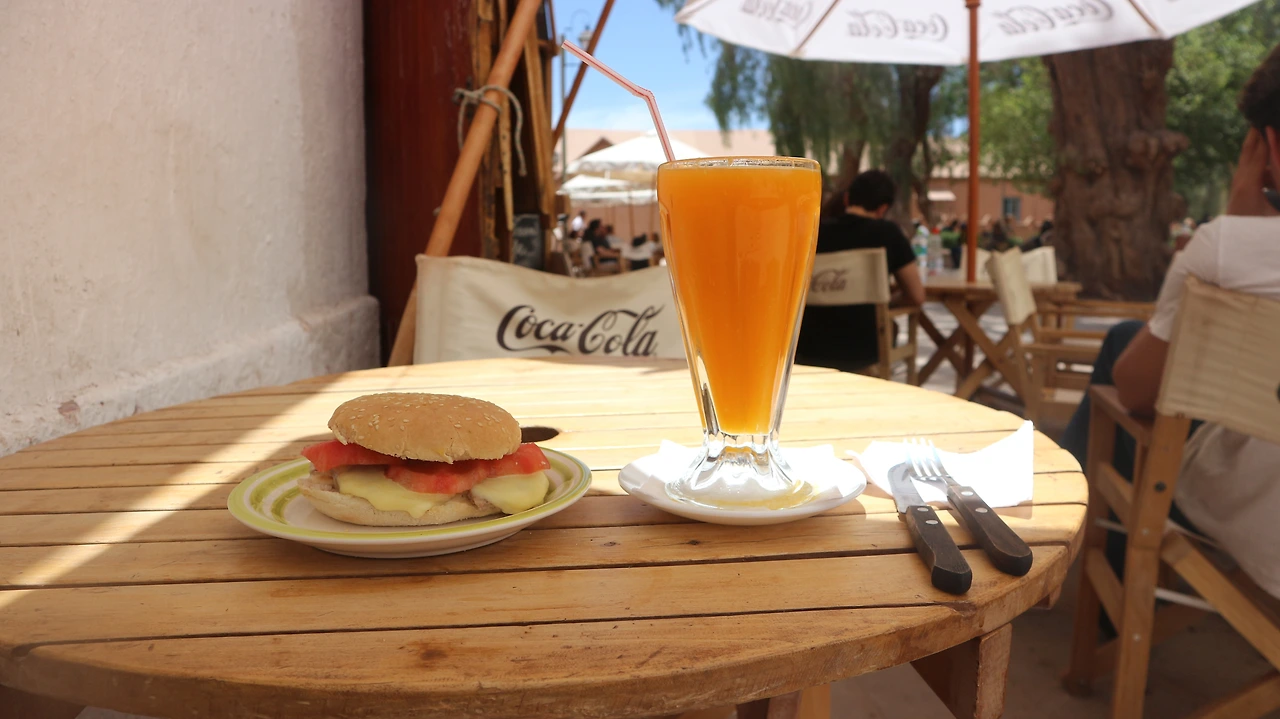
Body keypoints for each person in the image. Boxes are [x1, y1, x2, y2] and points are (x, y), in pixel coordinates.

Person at [1060, 43, 1280, 596]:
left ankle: (1078, 563)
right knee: (1126, 337)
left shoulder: (1230, 247)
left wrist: (1236, 224)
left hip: (1255, 518)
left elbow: (1135, 392)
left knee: (1124, 361)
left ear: (1268, 146)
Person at [796, 170, 926, 373]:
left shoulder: (813, 231)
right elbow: (917, 296)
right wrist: (883, 302)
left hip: (807, 348)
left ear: (847, 199)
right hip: (865, 351)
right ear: (883, 208)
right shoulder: (888, 234)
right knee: (891, 326)